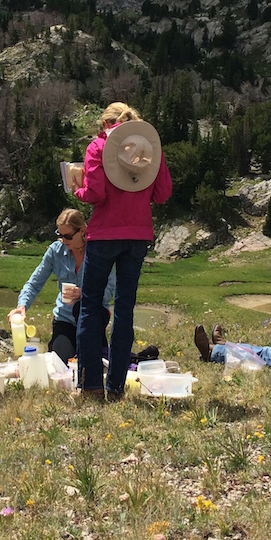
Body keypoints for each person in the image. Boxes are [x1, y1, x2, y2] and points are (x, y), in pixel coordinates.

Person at [73, 103, 172, 399]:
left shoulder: (99, 147)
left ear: (105, 122)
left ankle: (90, 386)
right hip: (137, 236)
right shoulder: (149, 149)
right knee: (125, 310)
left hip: (104, 235)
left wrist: (75, 188)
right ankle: (115, 386)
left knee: (90, 306)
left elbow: (95, 194)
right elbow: (163, 193)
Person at [9, 208, 116, 362]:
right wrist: (22, 305)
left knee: (91, 361)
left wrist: (83, 293)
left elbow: (109, 290)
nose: (63, 240)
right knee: (61, 362)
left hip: (93, 315)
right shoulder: (55, 251)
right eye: (59, 235)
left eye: (68, 236)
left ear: (82, 231)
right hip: (64, 318)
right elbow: (35, 282)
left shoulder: (99, 251)